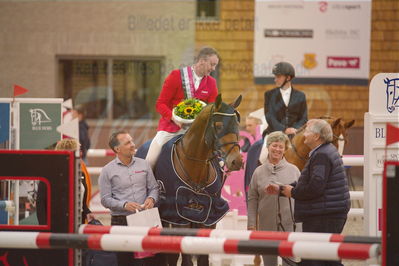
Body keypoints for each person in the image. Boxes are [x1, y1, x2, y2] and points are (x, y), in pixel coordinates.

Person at [266, 119, 350, 266]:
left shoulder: (321, 155)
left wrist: (293, 192)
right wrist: (283, 189)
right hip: (327, 213)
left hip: (323, 216)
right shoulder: (324, 151)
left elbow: (315, 187)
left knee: (315, 259)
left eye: (308, 131)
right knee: (326, 259)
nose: (304, 134)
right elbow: (310, 183)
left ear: (316, 136)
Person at [146, 46, 219, 169]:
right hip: (171, 127)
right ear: (202, 61)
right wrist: (174, 118)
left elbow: (213, 108)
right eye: (212, 64)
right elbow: (160, 104)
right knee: (150, 160)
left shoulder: (211, 82)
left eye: (215, 65)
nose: (213, 68)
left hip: (197, 130)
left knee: (219, 159)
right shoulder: (176, 76)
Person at [99, 130, 159, 266]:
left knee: (149, 262)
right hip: (121, 222)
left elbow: (154, 188)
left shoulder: (144, 164)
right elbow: (105, 199)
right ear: (117, 149)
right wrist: (124, 205)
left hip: (145, 219)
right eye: (128, 143)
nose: (133, 144)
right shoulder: (107, 171)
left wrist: (152, 198)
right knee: (124, 262)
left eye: (131, 141)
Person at [247, 131, 300, 266]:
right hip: (266, 225)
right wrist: (251, 224)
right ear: (268, 147)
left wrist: (300, 225)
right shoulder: (258, 172)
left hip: (289, 225)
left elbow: (301, 198)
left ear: (285, 149)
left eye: (281, 147)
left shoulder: (294, 171)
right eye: (274, 145)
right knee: (269, 263)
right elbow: (252, 199)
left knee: (290, 262)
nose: (277, 149)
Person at [264, 61, 307, 136]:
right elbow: (269, 116)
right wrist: (284, 129)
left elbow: (303, 118)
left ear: (288, 78)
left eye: (278, 77)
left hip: (295, 133)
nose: (275, 79)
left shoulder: (300, 96)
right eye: (275, 77)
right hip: (274, 133)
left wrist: (295, 129)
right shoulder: (269, 95)